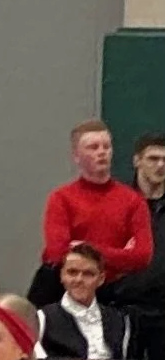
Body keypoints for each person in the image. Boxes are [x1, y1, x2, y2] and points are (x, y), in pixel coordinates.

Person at [38, 120, 153, 304]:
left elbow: (142, 256)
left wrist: (85, 248)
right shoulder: (61, 198)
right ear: (76, 155)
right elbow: (57, 252)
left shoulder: (133, 200)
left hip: (113, 294)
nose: (101, 152)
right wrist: (119, 255)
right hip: (65, 294)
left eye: (106, 146)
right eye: (93, 147)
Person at [112, 133, 165, 360]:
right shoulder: (118, 204)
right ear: (137, 161)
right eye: (153, 159)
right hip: (123, 310)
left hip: (163, 312)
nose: (160, 166)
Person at [40, 242, 131, 360]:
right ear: (62, 275)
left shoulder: (119, 320)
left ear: (101, 279)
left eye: (88, 274)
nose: (79, 280)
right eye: (72, 272)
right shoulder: (43, 318)